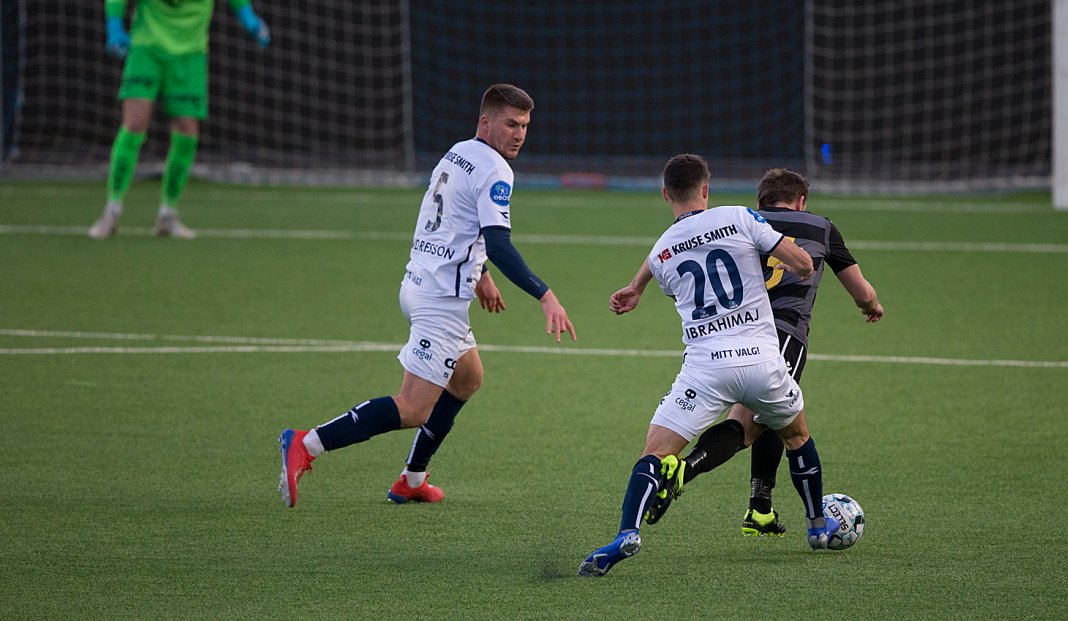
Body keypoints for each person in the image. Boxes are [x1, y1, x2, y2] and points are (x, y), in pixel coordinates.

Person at [279, 84, 576, 509]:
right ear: (485, 123)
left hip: (420, 283)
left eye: (525, 126)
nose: (519, 134)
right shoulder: (496, 170)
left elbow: (453, 223)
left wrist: (481, 275)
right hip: (440, 301)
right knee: (413, 408)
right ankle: (306, 444)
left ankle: (412, 479)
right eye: (511, 124)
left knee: (468, 378)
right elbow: (498, 243)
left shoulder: (457, 153)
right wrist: (545, 295)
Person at [579, 154, 815, 577]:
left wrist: (636, 287)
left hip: (706, 370)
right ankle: (818, 525)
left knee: (654, 453)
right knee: (796, 436)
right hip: (763, 362)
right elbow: (802, 264)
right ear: (706, 189)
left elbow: (670, 275)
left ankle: (626, 532)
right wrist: (788, 260)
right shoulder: (739, 217)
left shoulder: (661, 253)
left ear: (665, 194)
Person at [640, 168, 883, 543]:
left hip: (729, 335)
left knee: (767, 419)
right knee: (763, 425)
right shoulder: (821, 226)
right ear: (801, 201)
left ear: (761, 201)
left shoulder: (739, 219)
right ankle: (687, 473)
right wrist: (871, 305)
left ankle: (760, 507)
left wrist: (637, 285)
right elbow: (860, 290)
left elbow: (674, 248)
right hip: (781, 334)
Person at [87, 0, 270, 240]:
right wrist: (114, 26)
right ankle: (112, 209)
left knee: (186, 133)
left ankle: (168, 213)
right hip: (147, 49)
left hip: (190, 54)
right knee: (134, 125)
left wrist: (249, 18)